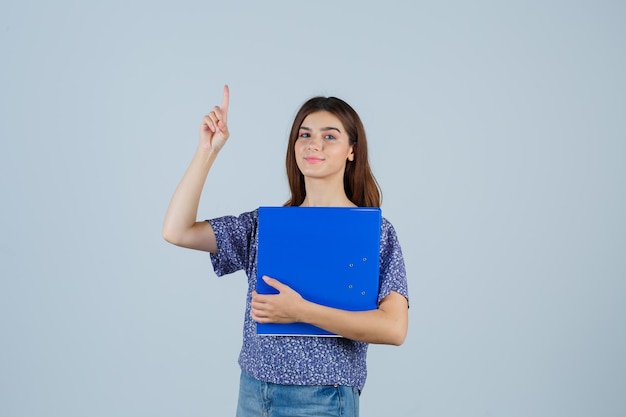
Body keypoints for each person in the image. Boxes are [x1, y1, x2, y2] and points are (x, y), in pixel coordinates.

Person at [163, 85, 409, 417]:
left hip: (323, 398)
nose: (313, 143)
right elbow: (177, 231)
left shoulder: (374, 233)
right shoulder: (266, 226)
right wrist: (207, 150)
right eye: (304, 134)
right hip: (254, 392)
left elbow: (394, 328)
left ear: (352, 150)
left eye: (330, 136)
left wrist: (300, 310)